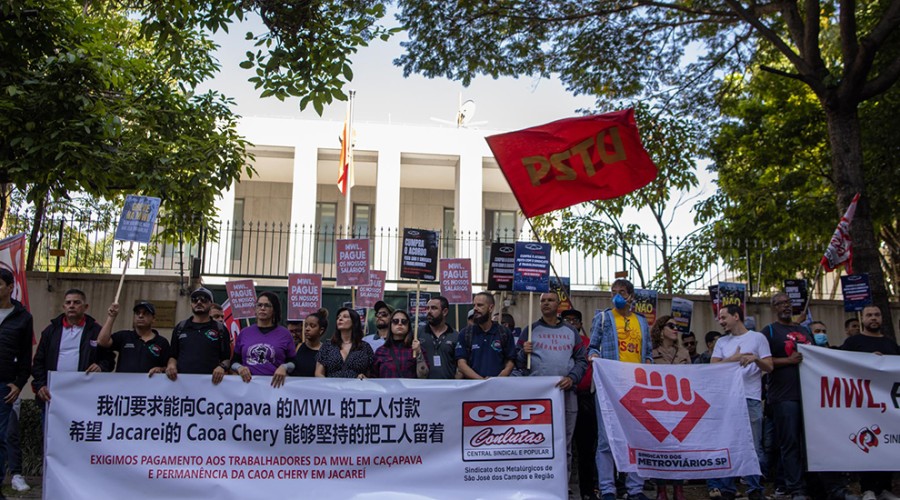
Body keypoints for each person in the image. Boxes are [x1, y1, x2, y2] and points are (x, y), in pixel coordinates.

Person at [764, 292, 857, 500]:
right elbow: (764, 361)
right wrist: (788, 361)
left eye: (788, 302)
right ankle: (796, 489)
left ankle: (831, 489)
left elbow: (818, 355)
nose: (786, 306)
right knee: (790, 444)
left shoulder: (804, 330)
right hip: (785, 396)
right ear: (773, 308)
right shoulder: (769, 331)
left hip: (811, 395)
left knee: (820, 441)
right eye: (780, 303)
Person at [589, 278, 652, 500]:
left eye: (622, 292)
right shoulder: (603, 318)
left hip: (635, 388)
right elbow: (592, 347)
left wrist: (648, 367)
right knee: (606, 440)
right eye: (614, 292)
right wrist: (594, 357)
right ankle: (607, 489)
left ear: (631, 296)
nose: (617, 296)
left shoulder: (641, 322)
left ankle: (635, 489)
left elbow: (647, 353)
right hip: (609, 388)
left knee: (636, 438)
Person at [516, 292, 587, 490]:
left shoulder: (571, 331)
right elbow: (517, 363)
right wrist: (523, 352)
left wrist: (572, 378)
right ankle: (537, 485)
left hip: (566, 394)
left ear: (558, 304)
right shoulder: (530, 331)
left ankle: (562, 485)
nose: (546, 303)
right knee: (536, 441)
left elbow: (582, 360)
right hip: (537, 398)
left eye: (550, 300)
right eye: (543, 301)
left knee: (564, 442)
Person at [709, 305, 772, 500]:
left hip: (751, 397)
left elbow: (769, 367)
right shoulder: (722, 342)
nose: (720, 321)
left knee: (753, 445)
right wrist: (733, 359)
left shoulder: (758, 338)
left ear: (736, 316)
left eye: (723, 317)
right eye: (720, 318)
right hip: (728, 400)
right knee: (728, 443)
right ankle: (727, 489)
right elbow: (712, 368)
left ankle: (754, 489)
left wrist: (755, 359)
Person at [839, 305, 899, 500]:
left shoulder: (891, 344)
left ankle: (884, 488)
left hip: (886, 404)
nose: (874, 318)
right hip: (862, 404)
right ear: (862, 319)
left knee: (886, 443)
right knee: (867, 442)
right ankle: (868, 488)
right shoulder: (853, 342)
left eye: (877, 315)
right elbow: (841, 365)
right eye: (869, 315)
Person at [33, 289, 114, 404]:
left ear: (86, 307)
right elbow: (38, 362)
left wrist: (100, 367)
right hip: (53, 393)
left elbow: (109, 359)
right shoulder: (51, 331)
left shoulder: (96, 331)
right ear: (63, 307)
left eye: (76, 302)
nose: (71, 306)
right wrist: (40, 385)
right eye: (68, 303)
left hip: (85, 393)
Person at [648, 315, 689, 500]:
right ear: (661, 329)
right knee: (660, 448)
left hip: (680, 406)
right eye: (671, 325)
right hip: (658, 406)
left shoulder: (683, 353)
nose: (675, 329)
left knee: (678, 448)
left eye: (677, 326)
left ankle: (678, 489)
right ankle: (661, 489)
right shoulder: (651, 353)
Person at [0, 269, 33, 494]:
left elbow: (25, 356)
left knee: (2, 436)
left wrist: (19, 383)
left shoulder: (23, 317)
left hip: (5, 385)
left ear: (11, 287)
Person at [562, 308, 600, 500]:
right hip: (561, 396)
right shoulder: (555, 342)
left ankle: (587, 491)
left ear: (580, 324)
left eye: (574, 320)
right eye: (566, 320)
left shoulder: (589, 344)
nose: (571, 323)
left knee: (586, 447)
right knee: (562, 446)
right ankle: (561, 487)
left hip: (585, 398)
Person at [165, 287, 231, 385]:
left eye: (204, 299)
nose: (199, 302)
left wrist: (221, 367)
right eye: (195, 299)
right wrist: (171, 365)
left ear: (211, 304)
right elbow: (173, 355)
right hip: (182, 384)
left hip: (211, 385)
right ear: (191, 304)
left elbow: (227, 359)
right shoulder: (180, 327)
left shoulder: (220, 329)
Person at [231, 292, 295, 388]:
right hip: (247, 387)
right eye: (259, 305)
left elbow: (293, 362)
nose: (262, 308)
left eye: (267, 305)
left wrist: (284, 367)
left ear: (274, 310)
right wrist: (239, 368)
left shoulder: (285, 334)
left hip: (275, 387)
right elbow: (234, 361)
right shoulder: (244, 332)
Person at [97, 301, 170, 374]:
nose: (140, 316)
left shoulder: (162, 342)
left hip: (150, 381)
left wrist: (160, 369)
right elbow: (102, 341)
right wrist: (111, 317)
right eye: (137, 313)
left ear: (153, 319)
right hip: (124, 381)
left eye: (145, 313)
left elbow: (168, 367)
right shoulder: (124, 336)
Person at [455, 292, 515, 379]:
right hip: (473, 385)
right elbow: (461, 364)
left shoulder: (504, 333)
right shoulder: (466, 333)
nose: (475, 308)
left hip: (498, 384)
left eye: (479, 305)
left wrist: (497, 379)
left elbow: (510, 361)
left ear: (491, 308)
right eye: (474, 305)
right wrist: (482, 381)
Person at [315, 308, 374, 379]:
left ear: (354, 321)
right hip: (331, 385)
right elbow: (318, 373)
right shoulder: (327, 346)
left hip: (356, 385)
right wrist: (329, 385)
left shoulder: (365, 347)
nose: (340, 319)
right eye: (338, 317)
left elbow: (372, 374)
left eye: (345, 317)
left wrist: (365, 378)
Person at [372, 310, 428, 378]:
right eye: (395, 321)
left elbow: (423, 376)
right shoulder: (380, 351)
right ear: (390, 325)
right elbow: (373, 378)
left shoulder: (416, 349)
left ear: (408, 326)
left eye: (404, 321)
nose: (400, 323)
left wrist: (419, 353)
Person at [418, 297, 459, 379]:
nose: (429, 311)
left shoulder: (455, 335)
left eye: (434, 308)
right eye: (427, 308)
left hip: (448, 385)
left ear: (444, 312)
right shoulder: (418, 333)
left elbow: (460, 366)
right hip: (423, 384)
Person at [292, 309, 327, 377]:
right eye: (306, 325)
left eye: (312, 326)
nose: (307, 329)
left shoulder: (325, 351)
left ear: (321, 330)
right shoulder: (298, 346)